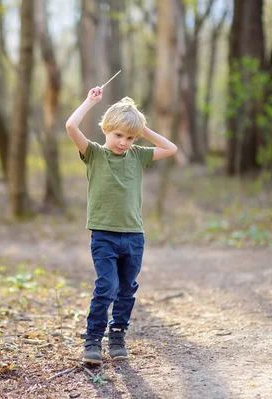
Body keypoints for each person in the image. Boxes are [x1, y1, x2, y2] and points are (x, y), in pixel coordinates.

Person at [65, 86, 178, 364]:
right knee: (107, 286)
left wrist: (142, 129)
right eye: (118, 135)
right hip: (104, 235)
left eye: (129, 137)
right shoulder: (93, 153)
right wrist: (90, 102)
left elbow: (171, 148)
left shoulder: (138, 154)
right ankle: (92, 340)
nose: (123, 142)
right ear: (106, 129)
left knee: (127, 288)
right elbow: (70, 125)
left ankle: (117, 338)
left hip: (133, 236)